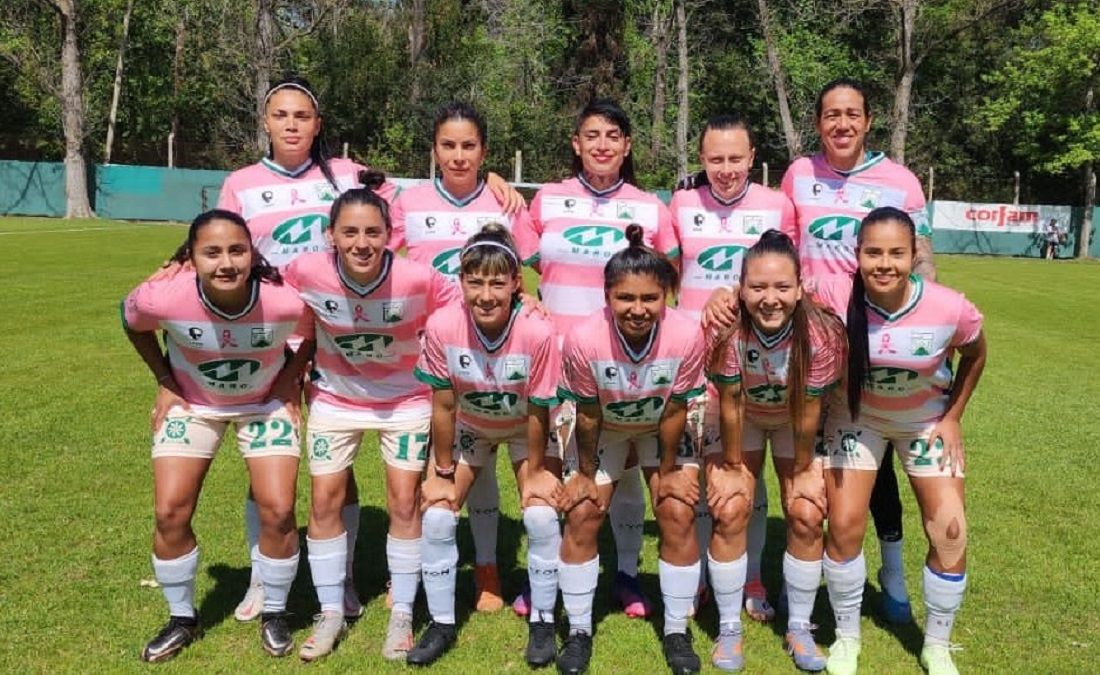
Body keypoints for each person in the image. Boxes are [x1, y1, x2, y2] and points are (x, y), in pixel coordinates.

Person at [214, 76, 394, 623]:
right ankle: (262, 577)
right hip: (266, 337)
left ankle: (335, 582)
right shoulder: (241, 184)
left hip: (335, 335)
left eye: (302, 116)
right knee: (266, 458)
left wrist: (499, 181)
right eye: (281, 115)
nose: (291, 124)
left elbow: (399, 220)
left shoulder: (347, 174)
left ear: (317, 125)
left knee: (335, 462)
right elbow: (215, 245)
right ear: (265, 123)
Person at [281, 177, 461, 661]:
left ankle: (402, 612)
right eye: (350, 233)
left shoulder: (418, 279)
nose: (362, 243)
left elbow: (460, 312)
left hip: (405, 400)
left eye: (373, 233)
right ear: (331, 234)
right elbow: (276, 302)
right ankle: (330, 611)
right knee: (324, 502)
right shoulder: (306, 270)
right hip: (336, 400)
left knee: (404, 503)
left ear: (389, 235)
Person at [513, 98, 679, 620]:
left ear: (626, 146)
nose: (602, 144)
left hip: (630, 364)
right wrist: (526, 297)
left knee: (626, 473)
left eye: (612, 135)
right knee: (566, 468)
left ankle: (626, 576)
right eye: (592, 134)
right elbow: (516, 263)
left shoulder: (650, 207)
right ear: (576, 144)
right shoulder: (548, 201)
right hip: (561, 363)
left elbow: (666, 283)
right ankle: (555, 574)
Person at [779, 77, 936, 622]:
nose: (841, 124)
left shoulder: (900, 181)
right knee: (805, 455)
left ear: (869, 121)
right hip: (805, 345)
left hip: (874, 344)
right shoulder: (798, 174)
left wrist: (927, 329)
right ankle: (798, 574)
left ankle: (891, 572)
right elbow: (782, 253)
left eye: (852, 114)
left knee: (878, 463)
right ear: (818, 122)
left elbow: (922, 261)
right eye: (830, 115)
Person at [123, 210, 309, 661]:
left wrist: (290, 378)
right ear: (191, 258)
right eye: (212, 252)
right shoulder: (164, 297)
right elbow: (131, 320)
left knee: (280, 509)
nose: (226, 263)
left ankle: (275, 612)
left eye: (236, 250)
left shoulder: (284, 300)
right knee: (170, 511)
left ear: (252, 253)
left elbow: (321, 326)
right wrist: (165, 379)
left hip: (263, 406)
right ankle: (182, 618)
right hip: (194, 405)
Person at [813, 207, 985, 675]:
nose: (883, 263)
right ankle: (847, 638)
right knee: (845, 527)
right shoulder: (831, 293)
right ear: (857, 255)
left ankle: (937, 645)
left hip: (925, 423)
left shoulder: (950, 307)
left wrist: (952, 417)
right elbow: (776, 295)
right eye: (873, 252)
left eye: (896, 253)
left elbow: (976, 352)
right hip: (856, 419)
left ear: (914, 255)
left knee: (951, 532)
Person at [389, 102, 531, 613]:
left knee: (485, 464)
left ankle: (488, 568)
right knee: (434, 464)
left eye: (469, 146)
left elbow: (528, 269)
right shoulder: (409, 202)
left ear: (484, 151)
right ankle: (413, 570)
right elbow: (370, 249)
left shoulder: (503, 204)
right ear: (433, 151)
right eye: (448, 145)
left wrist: (528, 300)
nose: (458, 155)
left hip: (496, 354)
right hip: (433, 354)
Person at [406, 224, 563, 667]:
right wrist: (440, 471)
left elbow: (538, 409)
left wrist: (535, 471)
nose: (486, 294)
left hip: (523, 428)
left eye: (497, 282)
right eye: (475, 281)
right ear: (461, 282)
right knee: (436, 517)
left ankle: (544, 622)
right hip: (472, 425)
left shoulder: (537, 331)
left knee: (538, 511)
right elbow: (442, 403)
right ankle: (440, 623)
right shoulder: (442, 325)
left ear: (517, 283)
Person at [555, 225, 706, 675]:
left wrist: (671, 470)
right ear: (607, 297)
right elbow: (587, 415)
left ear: (666, 297)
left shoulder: (687, 335)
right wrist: (583, 475)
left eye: (649, 299)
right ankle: (580, 630)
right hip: (605, 427)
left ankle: (677, 629)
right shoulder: (583, 339)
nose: (638, 310)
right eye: (626, 299)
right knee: (583, 513)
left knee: (677, 510)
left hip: (661, 422)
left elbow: (678, 406)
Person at [670, 113, 796, 622]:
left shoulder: (776, 206)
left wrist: (736, 298)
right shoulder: (680, 204)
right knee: (703, 475)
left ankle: (752, 577)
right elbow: (666, 278)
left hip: (758, 363)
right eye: (715, 159)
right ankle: (703, 575)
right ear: (702, 160)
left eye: (735, 159)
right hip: (697, 364)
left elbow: (785, 281)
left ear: (752, 158)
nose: (725, 169)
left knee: (749, 476)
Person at [705, 230, 845, 672]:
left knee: (805, 510)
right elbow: (729, 402)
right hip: (741, 414)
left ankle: (799, 627)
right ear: (740, 289)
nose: (770, 298)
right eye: (758, 287)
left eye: (782, 287)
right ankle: (729, 629)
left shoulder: (821, 335)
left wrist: (804, 471)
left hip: (792, 418)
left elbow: (807, 410)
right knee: (730, 507)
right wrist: (730, 467)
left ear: (800, 287)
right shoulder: (726, 327)